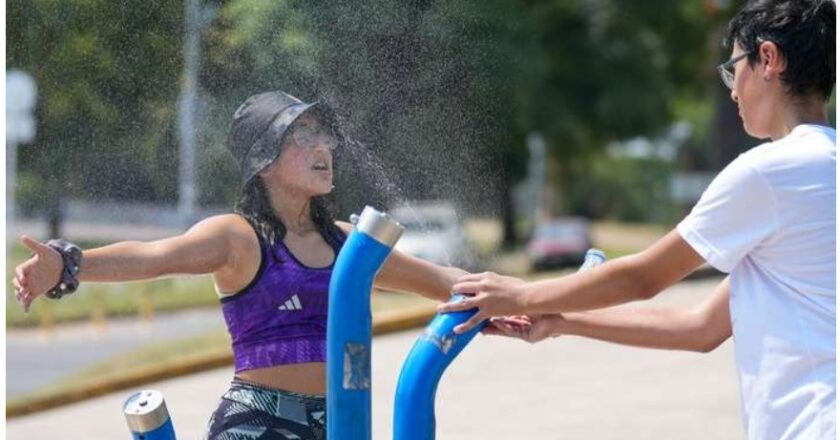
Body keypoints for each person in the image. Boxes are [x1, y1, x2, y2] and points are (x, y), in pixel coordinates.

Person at [438, 1, 835, 438]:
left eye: (733, 67)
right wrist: (565, 321)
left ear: (768, 59)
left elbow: (645, 276)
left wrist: (520, 294)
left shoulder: (768, 172)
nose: (733, 91)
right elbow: (700, 328)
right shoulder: (821, 170)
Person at [12, 91, 465, 440]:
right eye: (302, 136)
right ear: (264, 162)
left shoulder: (349, 244)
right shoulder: (238, 238)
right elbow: (155, 256)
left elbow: (445, 282)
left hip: (340, 422)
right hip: (259, 421)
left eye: (322, 134)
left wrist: (523, 299)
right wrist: (70, 264)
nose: (322, 146)